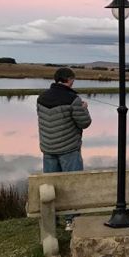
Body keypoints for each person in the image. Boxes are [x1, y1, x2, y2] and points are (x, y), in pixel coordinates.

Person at [37, 67, 92, 230]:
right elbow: (85, 123)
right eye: (73, 79)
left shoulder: (41, 98)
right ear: (69, 80)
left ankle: (51, 218)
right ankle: (71, 220)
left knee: (51, 185)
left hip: (48, 148)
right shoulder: (73, 99)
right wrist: (83, 108)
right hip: (69, 150)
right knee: (71, 185)